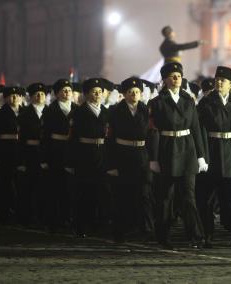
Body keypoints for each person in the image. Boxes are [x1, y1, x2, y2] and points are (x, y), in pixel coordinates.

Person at [148, 62, 207, 249]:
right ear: (165, 80)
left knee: (189, 197)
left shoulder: (189, 100)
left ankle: (195, 235)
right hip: (167, 149)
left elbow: (196, 128)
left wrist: (201, 156)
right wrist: (154, 158)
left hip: (187, 149)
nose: (176, 79)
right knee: (165, 197)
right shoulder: (156, 103)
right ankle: (163, 236)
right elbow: (152, 132)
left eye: (179, 76)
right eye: (172, 76)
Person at [198, 66, 231, 247]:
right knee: (206, 199)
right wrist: (202, 157)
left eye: (223, 81)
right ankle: (206, 234)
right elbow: (201, 131)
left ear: (230, 85)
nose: (219, 83)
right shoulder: (206, 103)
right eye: (217, 80)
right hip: (212, 153)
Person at [107, 77, 154, 242]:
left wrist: (152, 159)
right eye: (130, 92)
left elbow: (152, 136)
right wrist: (112, 164)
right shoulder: (115, 111)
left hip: (142, 155)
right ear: (124, 94)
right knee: (123, 195)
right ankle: (121, 230)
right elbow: (110, 139)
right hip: (122, 155)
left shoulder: (146, 110)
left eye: (137, 92)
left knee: (144, 194)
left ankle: (145, 229)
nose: (134, 94)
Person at [67, 78, 109, 238]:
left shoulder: (107, 111)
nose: (97, 94)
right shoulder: (78, 112)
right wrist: (70, 161)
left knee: (102, 191)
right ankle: (80, 225)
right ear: (86, 94)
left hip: (102, 154)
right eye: (94, 91)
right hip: (84, 155)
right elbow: (71, 138)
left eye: (100, 92)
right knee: (84, 192)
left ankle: (98, 224)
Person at [42, 79, 78, 231]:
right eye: (63, 90)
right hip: (55, 150)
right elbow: (44, 135)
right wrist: (44, 158)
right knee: (55, 187)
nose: (67, 93)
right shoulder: (50, 110)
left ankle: (68, 218)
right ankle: (53, 220)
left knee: (71, 187)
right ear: (57, 94)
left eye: (69, 90)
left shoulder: (77, 109)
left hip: (71, 150)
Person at [16, 83, 48, 227]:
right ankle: (26, 217)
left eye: (42, 93)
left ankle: (42, 216)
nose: (39, 96)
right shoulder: (24, 115)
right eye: (36, 93)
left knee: (44, 188)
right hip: (30, 154)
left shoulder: (50, 112)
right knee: (28, 188)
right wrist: (21, 161)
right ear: (31, 96)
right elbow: (21, 139)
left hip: (46, 154)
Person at [0, 86, 25, 224]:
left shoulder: (25, 112)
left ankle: (20, 213)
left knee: (21, 184)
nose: (15, 98)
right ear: (5, 98)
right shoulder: (1, 113)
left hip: (22, 151)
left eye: (17, 95)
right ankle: (3, 214)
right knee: (5, 183)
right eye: (11, 95)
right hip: (6, 151)